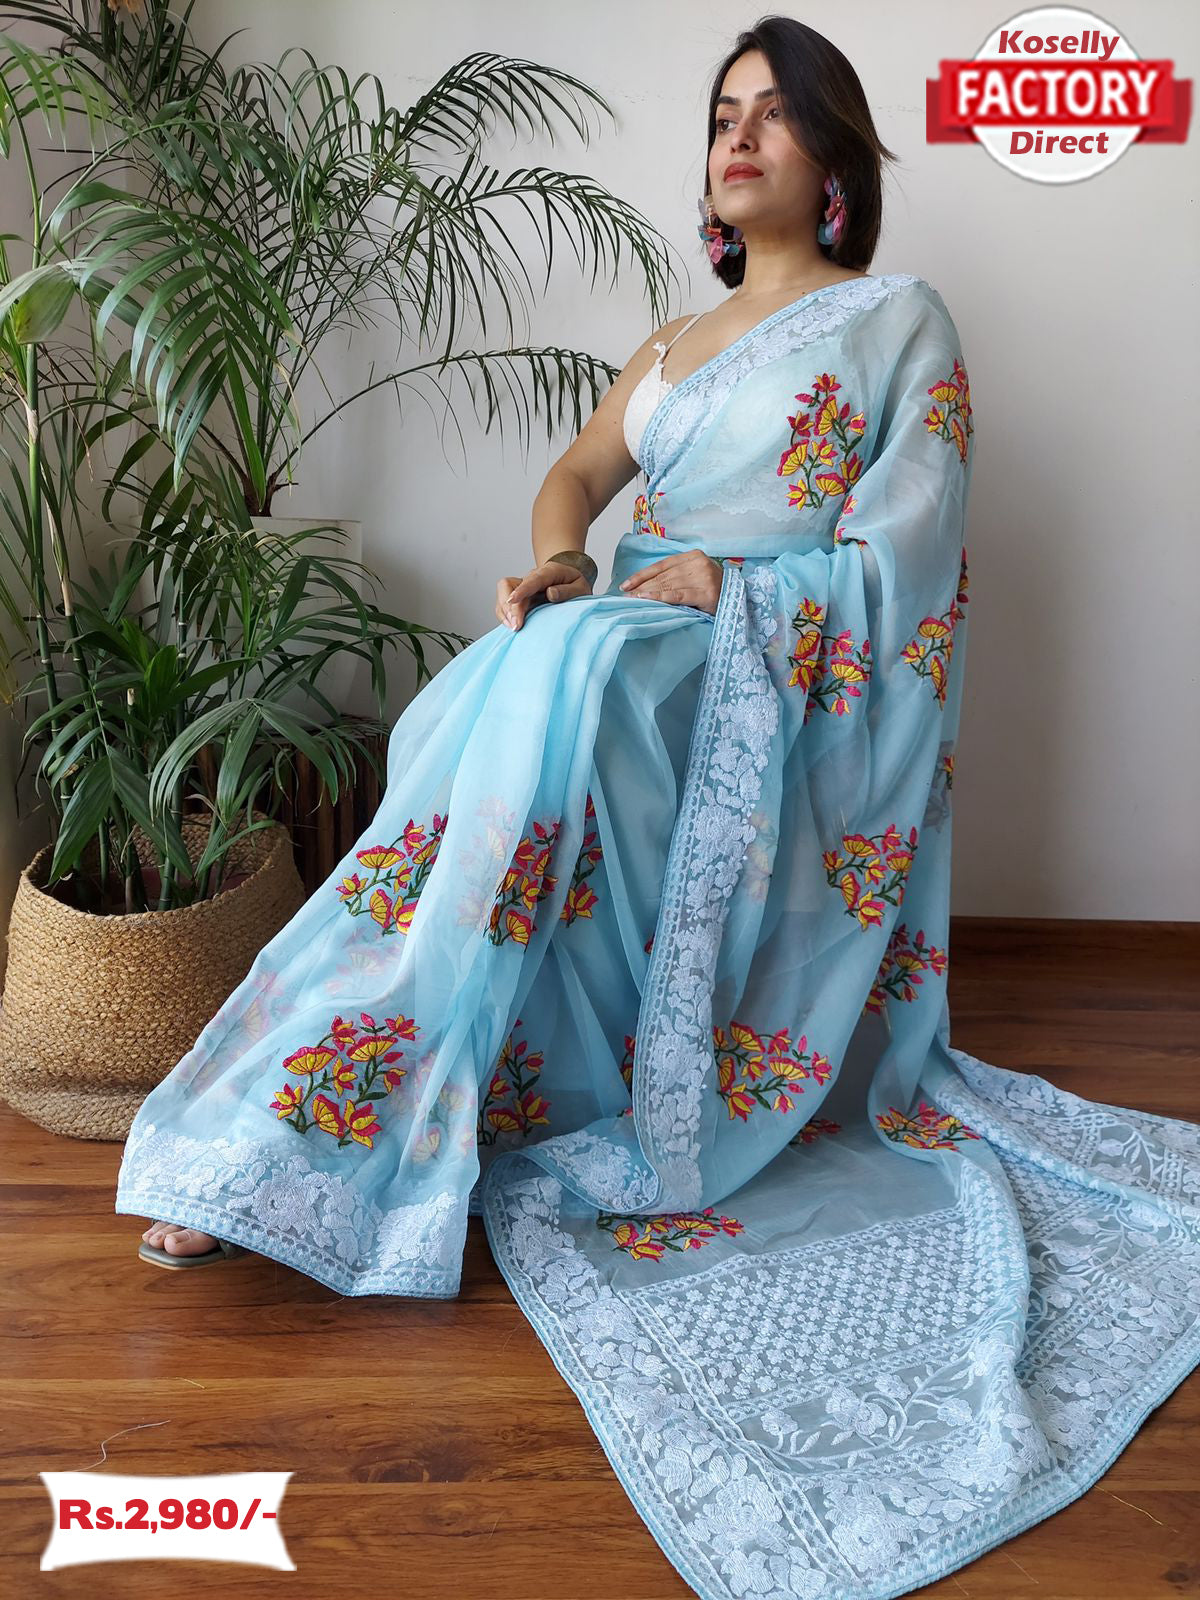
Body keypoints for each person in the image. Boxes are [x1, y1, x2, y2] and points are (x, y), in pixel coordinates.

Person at [118, 17, 1200, 1598]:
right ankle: (314, 1102)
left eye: (775, 113)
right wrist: (562, 559)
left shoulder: (896, 320)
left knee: (568, 676)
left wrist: (737, 588)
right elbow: (574, 478)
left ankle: (321, 1114)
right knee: (525, 666)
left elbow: (912, 554)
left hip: (769, 680)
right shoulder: (672, 346)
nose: (738, 137)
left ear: (838, 161)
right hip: (631, 644)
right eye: (721, 115)